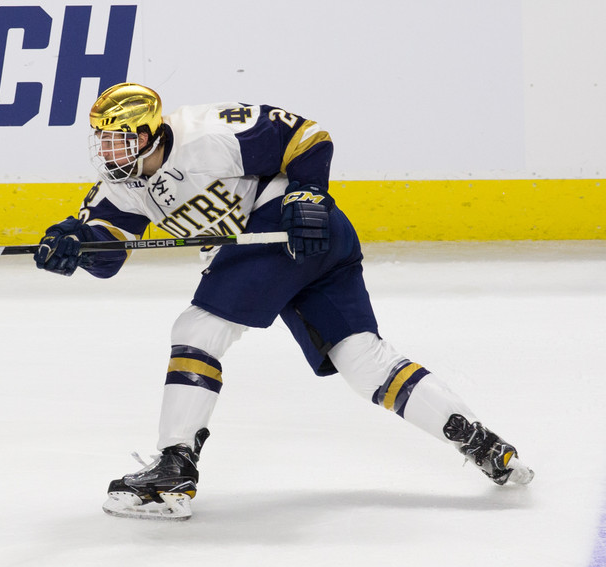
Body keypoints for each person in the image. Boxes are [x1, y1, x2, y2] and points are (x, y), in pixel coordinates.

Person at [33, 82, 534, 520]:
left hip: (284, 231)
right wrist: (75, 245)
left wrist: (309, 193)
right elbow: (108, 253)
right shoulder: (121, 187)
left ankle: (172, 471)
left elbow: (308, 135)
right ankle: (481, 441)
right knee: (363, 362)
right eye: (100, 139)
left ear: (145, 135)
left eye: (114, 140)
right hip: (311, 247)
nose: (105, 150)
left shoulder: (208, 134)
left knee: (196, 332)